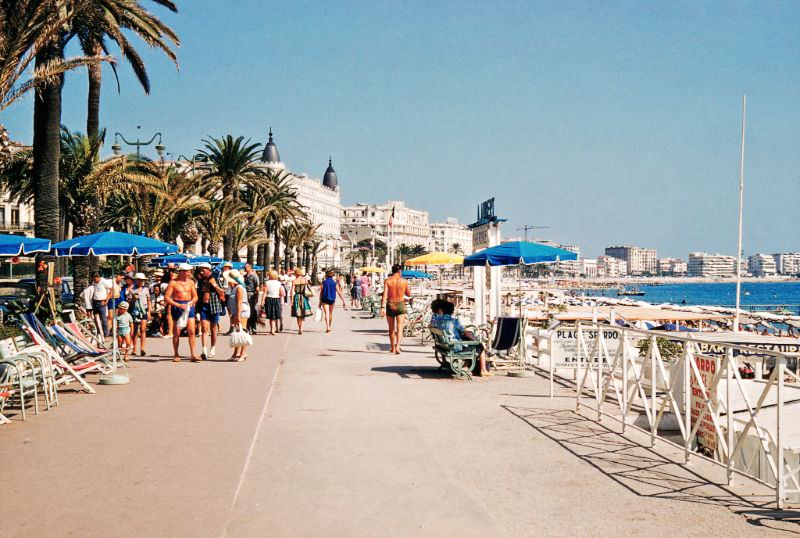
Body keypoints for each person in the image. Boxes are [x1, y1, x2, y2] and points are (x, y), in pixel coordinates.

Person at [430, 299, 491, 376]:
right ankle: (483, 370)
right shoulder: (454, 321)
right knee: (479, 346)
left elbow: (431, 326)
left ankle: (466, 365)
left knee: (470, 343)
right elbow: (465, 333)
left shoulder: (436, 321)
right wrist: (476, 340)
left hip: (444, 346)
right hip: (454, 347)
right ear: (451, 311)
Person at [164, 263, 199, 362]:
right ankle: (176, 354)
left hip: (188, 306)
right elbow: (166, 297)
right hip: (177, 306)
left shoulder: (191, 282)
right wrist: (177, 305)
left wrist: (192, 301)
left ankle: (193, 354)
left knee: (192, 331)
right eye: (187, 271)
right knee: (177, 332)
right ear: (182, 272)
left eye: (189, 271)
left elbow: (195, 296)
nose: (189, 273)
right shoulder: (173, 283)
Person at [380, 264, 411, 354]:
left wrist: (382, 307)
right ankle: (398, 347)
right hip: (401, 304)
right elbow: (408, 294)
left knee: (391, 328)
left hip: (390, 304)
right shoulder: (404, 281)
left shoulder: (387, 281)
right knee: (400, 327)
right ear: (400, 271)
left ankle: (392, 348)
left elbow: (384, 295)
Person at [197, 262, 225, 360]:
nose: (201, 271)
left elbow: (222, 292)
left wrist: (214, 285)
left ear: (208, 270)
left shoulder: (215, 279)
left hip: (214, 306)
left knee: (213, 329)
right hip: (204, 306)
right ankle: (204, 350)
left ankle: (212, 348)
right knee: (204, 329)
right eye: (200, 269)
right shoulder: (200, 281)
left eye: (203, 270)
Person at [227, 269, 250, 361]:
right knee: (238, 332)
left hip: (242, 311)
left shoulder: (239, 288)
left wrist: (238, 315)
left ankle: (243, 353)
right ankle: (236, 353)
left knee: (242, 331)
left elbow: (239, 302)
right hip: (237, 312)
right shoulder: (236, 288)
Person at [130, 273, 151, 356]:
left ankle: (142, 348)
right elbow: (129, 301)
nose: (141, 281)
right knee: (135, 330)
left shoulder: (146, 289)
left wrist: (149, 311)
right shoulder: (132, 289)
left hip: (144, 310)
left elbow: (148, 301)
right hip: (135, 310)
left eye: (142, 280)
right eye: (139, 280)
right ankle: (134, 348)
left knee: (143, 329)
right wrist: (133, 299)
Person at [291, 268, 313, 334]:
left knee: (298, 314)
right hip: (304, 297)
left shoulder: (294, 281)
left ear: (296, 273)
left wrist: (291, 300)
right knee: (303, 313)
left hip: (297, 297)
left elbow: (292, 291)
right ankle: (301, 328)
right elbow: (309, 288)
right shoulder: (305, 280)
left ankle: (299, 328)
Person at [90, 273, 111, 337]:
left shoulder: (104, 281)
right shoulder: (94, 283)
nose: (94, 280)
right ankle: (98, 332)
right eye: (93, 278)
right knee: (96, 318)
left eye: (95, 278)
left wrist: (106, 300)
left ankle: (106, 334)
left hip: (102, 302)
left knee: (103, 318)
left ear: (98, 277)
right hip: (95, 302)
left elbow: (111, 290)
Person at [264, 270, 285, 335]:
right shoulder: (279, 283)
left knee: (271, 316)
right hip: (277, 299)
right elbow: (282, 293)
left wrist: (262, 301)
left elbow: (265, 293)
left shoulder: (267, 283)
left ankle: (272, 329)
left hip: (269, 299)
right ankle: (275, 328)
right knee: (276, 314)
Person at [243, 263, 260, 335]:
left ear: (250, 268)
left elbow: (257, 287)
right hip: (245, 294)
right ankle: (247, 327)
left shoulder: (254, 276)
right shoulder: (244, 276)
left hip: (251, 294)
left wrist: (256, 297)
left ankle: (254, 328)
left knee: (253, 312)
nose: (245, 268)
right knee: (247, 311)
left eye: (246, 267)